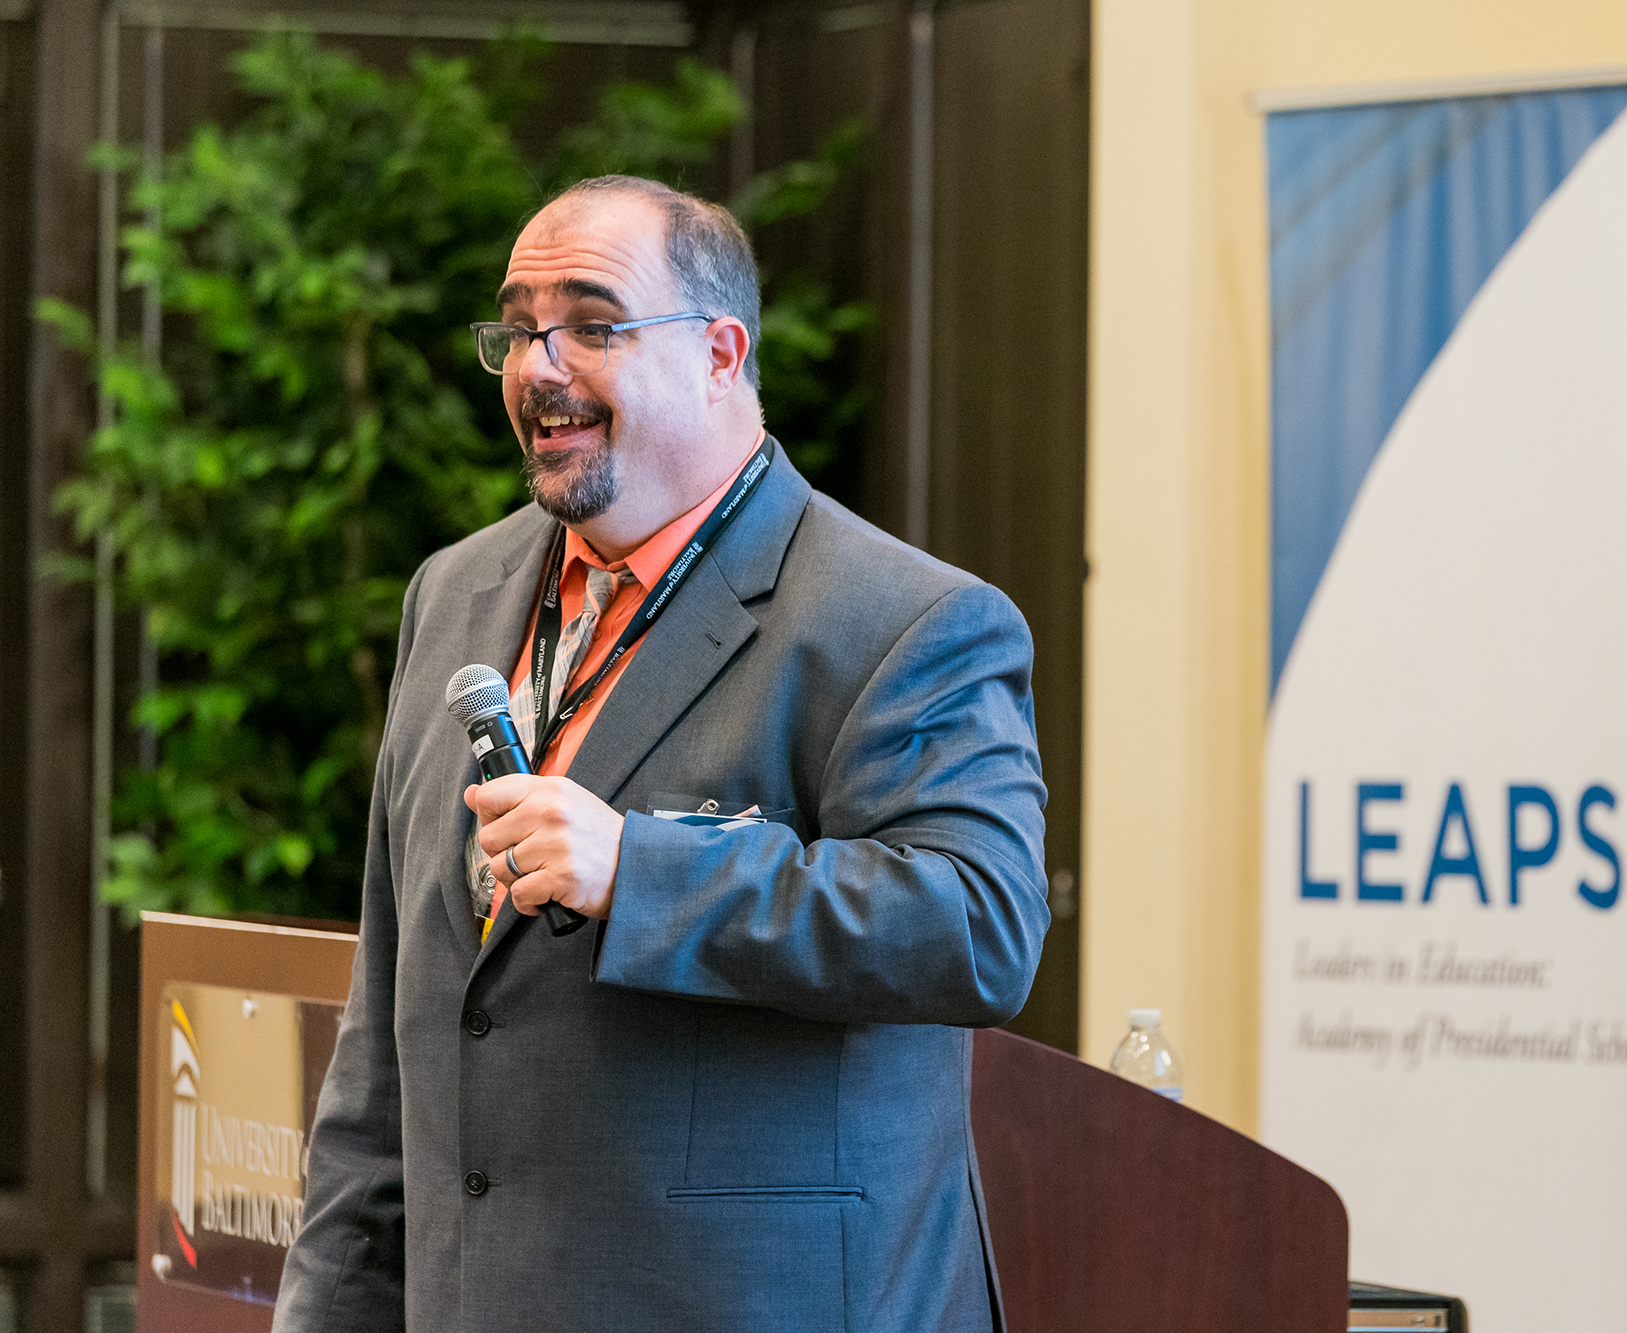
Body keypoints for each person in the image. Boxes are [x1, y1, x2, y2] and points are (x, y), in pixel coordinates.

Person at [272, 176, 1050, 1333]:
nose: (538, 367)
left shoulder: (903, 620)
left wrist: (640, 871)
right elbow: (395, 1030)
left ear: (719, 353)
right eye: (517, 329)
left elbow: (977, 926)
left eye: (591, 324)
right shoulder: (455, 593)